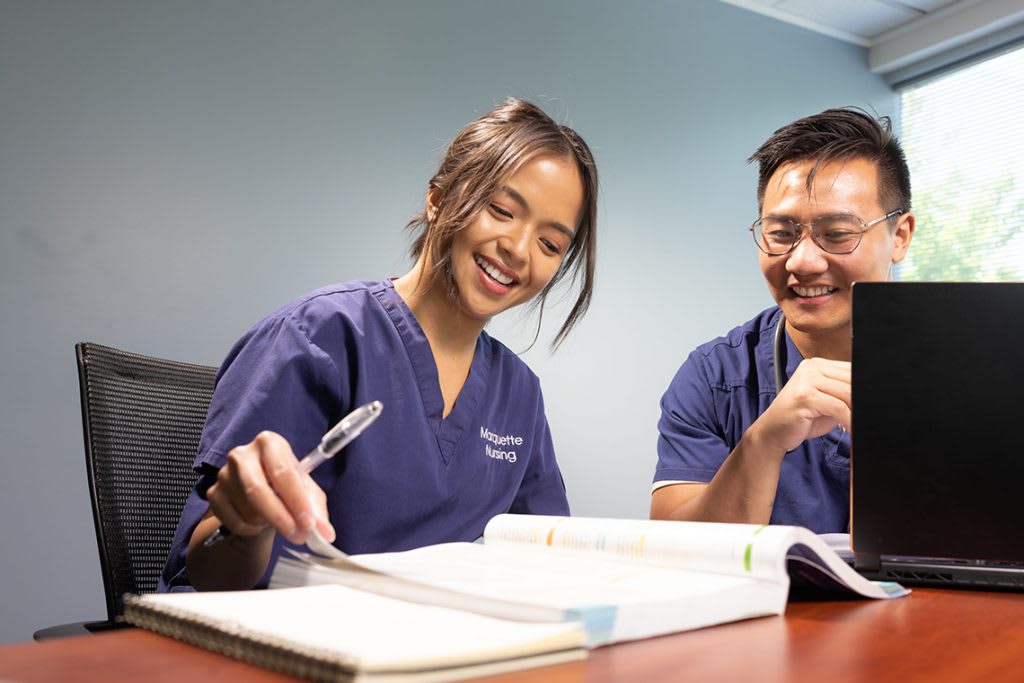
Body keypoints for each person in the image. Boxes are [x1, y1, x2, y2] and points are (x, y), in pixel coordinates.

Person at [159, 98, 599, 591]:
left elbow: (546, 556)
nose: (518, 250)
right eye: (501, 211)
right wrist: (242, 528)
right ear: (438, 199)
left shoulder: (518, 394)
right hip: (278, 644)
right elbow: (203, 575)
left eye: (550, 244)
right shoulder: (319, 338)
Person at [650, 107, 914, 533]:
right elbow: (670, 551)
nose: (803, 261)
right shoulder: (715, 378)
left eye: (838, 234)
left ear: (899, 236)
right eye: (781, 233)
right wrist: (764, 440)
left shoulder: (980, 370)